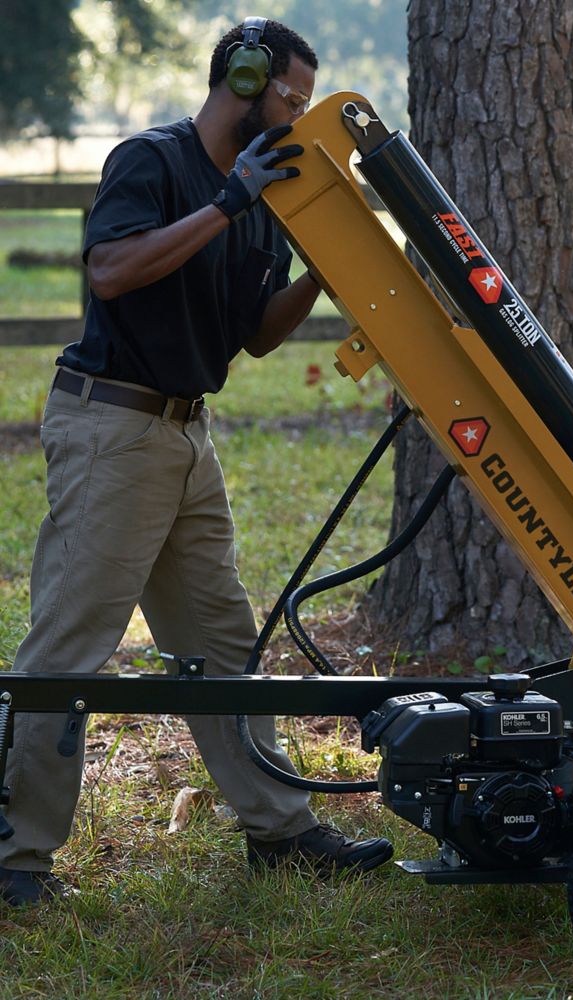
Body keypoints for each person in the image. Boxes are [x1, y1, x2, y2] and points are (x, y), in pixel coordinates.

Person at [0, 18, 393, 907]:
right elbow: (110, 271)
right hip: (113, 427)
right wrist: (226, 204)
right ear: (244, 76)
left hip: (185, 435)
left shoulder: (270, 192)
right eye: (290, 97)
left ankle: (282, 831)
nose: (297, 116)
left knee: (222, 645)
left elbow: (253, 338)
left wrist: (322, 274)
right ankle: (17, 858)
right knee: (67, 649)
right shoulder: (153, 161)